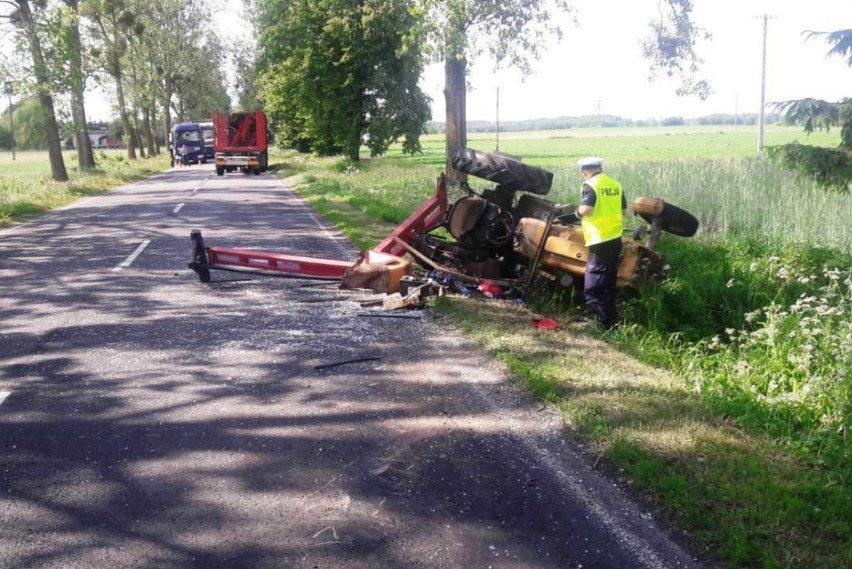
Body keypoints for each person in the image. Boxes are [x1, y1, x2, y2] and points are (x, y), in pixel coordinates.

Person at [565, 156, 627, 329]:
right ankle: (610, 320)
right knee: (608, 282)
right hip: (615, 239)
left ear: (586, 172)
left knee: (593, 286)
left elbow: (586, 209)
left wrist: (575, 216)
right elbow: (624, 210)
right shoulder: (615, 184)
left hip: (599, 240)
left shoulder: (591, 184)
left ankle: (601, 323)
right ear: (599, 167)